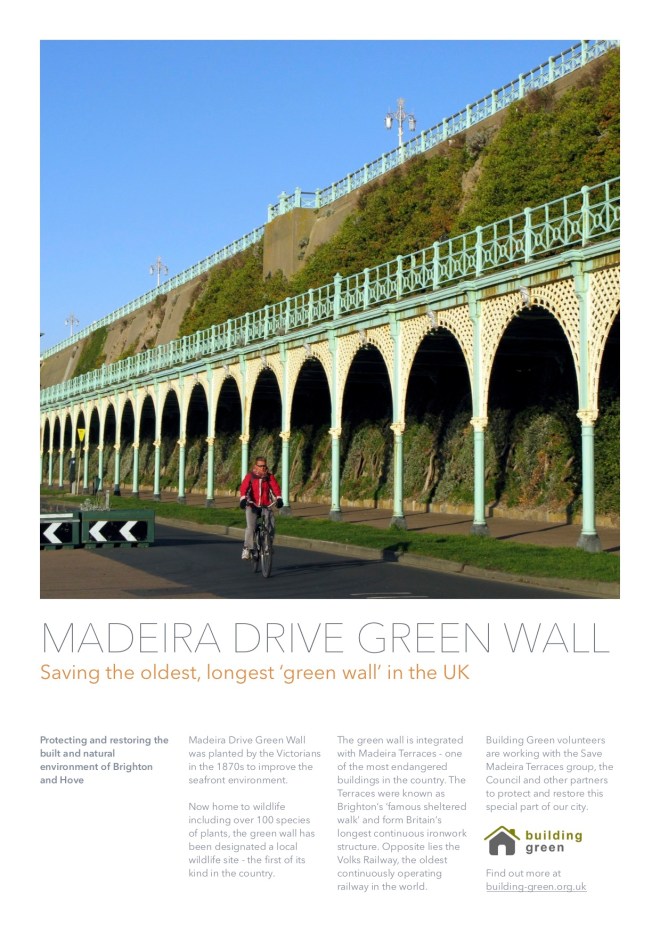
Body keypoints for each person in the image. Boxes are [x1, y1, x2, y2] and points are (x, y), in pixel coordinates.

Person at [239, 457, 283, 560]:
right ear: (255, 466)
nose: (263, 468)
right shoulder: (250, 476)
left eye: (264, 466)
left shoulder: (269, 477)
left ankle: (268, 546)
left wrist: (279, 498)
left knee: (271, 524)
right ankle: (247, 549)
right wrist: (243, 499)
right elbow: (244, 488)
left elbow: (275, 488)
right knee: (251, 527)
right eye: (261, 466)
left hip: (265, 505)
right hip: (252, 505)